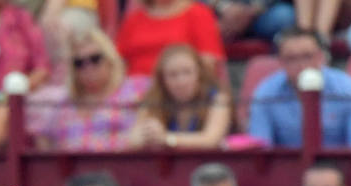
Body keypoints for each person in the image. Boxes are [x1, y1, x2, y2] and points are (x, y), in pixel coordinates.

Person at [248, 27, 351, 149]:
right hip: (288, 169)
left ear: (321, 57)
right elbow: (261, 152)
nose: (301, 65)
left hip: (340, 169)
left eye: (307, 56)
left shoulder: (349, 90)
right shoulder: (265, 94)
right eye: (291, 59)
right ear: (280, 61)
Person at [26, 23, 143, 151]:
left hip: (120, 166)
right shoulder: (63, 103)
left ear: (110, 59)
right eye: (79, 63)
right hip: (73, 169)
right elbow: (43, 141)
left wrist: (128, 143)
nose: (88, 67)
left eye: (95, 59)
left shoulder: (134, 90)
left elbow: (146, 133)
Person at [126, 43, 230, 150]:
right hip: (166, 164)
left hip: (208, 162)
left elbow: (210, 140)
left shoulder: (217, 98)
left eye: (187, 72)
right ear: (162, 79)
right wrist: (137, 139)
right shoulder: (153, 99)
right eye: (173, 74)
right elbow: (133, 139)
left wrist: (167, 138)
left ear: (199, 73)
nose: (181, 81)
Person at [115, 0, 224, 79]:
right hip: (134, 90)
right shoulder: (134, 19)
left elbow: (208, 63)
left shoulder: (198, 13)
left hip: (179, 89)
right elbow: (117, 61)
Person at [213, 0, 298, 43]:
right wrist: (224, 7)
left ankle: (279, 67)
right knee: (204, 23)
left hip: (260, 12)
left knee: (284, 16)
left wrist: (249, 11)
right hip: (219, 13)